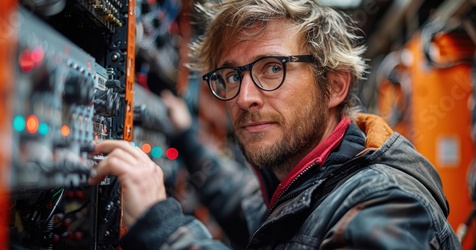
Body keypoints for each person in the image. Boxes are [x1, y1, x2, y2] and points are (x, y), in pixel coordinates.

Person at [88, 0, 462, 249]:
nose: (243, 96)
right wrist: (186, 136)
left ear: (335, 85)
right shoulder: (312, 179)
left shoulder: (386, 204)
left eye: (272, 68)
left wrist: (164, 228)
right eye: (232, 75)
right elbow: (244, 205)